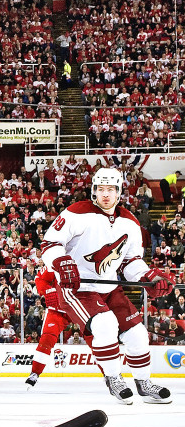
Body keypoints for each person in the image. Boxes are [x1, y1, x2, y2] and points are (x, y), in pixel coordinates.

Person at [40, 167, 173, 404]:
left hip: (109, 287)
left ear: (119, 191)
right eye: (100, 189)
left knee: (138, 335)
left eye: (110, 189)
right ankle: (113, 378)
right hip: (77, 288)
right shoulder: (75, 212)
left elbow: (131, 261)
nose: (105, 194)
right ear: (93, 190)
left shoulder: (129, 222)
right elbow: (50, 243)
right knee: (104, 324)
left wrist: (148, 278)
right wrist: (62, 263)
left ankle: (144, 383)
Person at [25, 269, 71, 388]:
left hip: (84, 306)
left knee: (97, 335)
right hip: (57, 310)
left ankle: (111, 374)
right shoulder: (57, 258)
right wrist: (47, 290)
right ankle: (35, 372)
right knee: (47, 339)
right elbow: (39, 278)